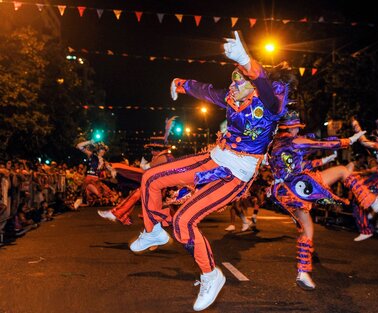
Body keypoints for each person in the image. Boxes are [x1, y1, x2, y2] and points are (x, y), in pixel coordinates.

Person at [129, 31, 289, 311]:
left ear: (253, 86)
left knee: (182, 222)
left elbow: (263, 84)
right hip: (215, 158)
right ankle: (153, 229)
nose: (233, 88)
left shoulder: (270, 104)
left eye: (240, 83)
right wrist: (179, 84)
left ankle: (211, 275)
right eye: (233, 82)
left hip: (237, 174)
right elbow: (205, 90)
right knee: (150, 178)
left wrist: (245, 59)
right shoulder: (230, 96)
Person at [268, 111, 378, 290]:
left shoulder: (275, 146)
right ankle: (371, 201)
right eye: (297, 126)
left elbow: (303, 165)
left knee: (307, 229)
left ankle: (303, 272)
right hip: (298, 185)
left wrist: (325, 159)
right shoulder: (295, 141)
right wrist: (350, 140)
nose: (298, 129)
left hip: (284, 193)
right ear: (292, 127)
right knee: (343, 170)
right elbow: (322, 143)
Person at [98, 118, 176, 225]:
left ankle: (119, 214)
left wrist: (137, 166)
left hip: (164, 189)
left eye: (152, 148)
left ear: (157, 149)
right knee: (138, 195)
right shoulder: (163, 156)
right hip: (160, 187)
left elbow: (146, 169)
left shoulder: (162, 157)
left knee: (138, 195)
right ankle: (120, 215)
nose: (151, 151)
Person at [75, 139, 119, 206]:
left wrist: (113, 171)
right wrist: (89, 142)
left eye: (104, 151)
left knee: (105, 193)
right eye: (102, 150)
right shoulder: (92, 155)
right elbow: (79, 146)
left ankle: (87, 198)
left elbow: (110, 168)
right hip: (89, 179)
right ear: (98, 150)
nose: (103, 152)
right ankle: (84, 197)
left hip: (96, 180)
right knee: (93, 193)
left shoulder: (104, 161)